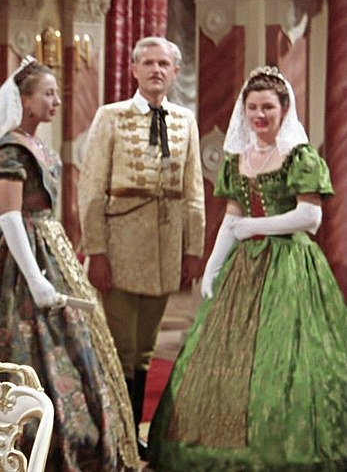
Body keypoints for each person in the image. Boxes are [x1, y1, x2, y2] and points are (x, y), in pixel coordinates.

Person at [147, 67, 347, 471]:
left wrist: (256, 226)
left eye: (267, 107)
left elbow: (309, 218)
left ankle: (284, 447)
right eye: (252, 107)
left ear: (284, 109)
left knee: (285, 355)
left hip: (290, 265)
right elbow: (231, 218)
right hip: (244, 267)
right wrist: (213, 265)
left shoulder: (301, 157)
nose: (259, 115)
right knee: (229, 356)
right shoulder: (237, 159)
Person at [0, 57, 141, 471]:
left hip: (49, 243)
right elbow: (10, 217)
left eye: (57, 93)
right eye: (48, 94)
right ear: (24, 100)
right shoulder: (10, 150)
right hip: (18, 251)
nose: (57, 101)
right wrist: (36, 279)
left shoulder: (37, 145)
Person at [77, 36, 205, 453]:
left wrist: (192, 250)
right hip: (119, 249)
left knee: (146, 352)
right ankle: (116, 438)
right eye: (147, 63)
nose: (155, 70)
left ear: (175, 72)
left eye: (163, 64)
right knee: (120, 348)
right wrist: (96, 251)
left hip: (166, 250)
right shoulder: (111, 117)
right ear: (133, 69)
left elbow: (194, 191)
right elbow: (90, 189)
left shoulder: (185, 121)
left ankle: (134, 436)